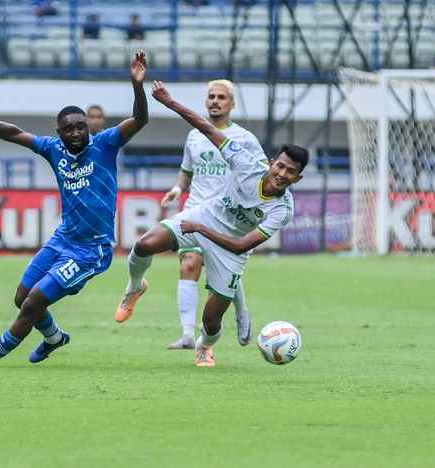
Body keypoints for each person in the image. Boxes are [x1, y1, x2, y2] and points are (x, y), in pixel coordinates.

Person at [0, 52, 149, 368]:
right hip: (63, 239)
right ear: (59, 132)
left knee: (34, 302)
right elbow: (15, 133)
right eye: (68, 129)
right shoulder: (53, 149)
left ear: (88, 127)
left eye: (80, 127)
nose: (76, 133)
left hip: (91, 250)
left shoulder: (105, 144)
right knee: (22, 298)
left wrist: (137, 87)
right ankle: (54, 338)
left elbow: (140, 119)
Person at [116, 80, 308, 367]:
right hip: (203, 215)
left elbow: (242, 244)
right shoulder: (245, 163)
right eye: (280, 166)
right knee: (145, 245)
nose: (282, 173)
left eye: (291, 172)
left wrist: (203, 231)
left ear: (297, 179)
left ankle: (204, 346)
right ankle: (134, 286)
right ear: (271, 163)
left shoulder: (283, 209)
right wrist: (170, 102)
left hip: (231, 250)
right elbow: (206, 128)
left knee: (211, 319)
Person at [157, 80, 267, 350]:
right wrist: (176, 188)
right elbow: (187, 171)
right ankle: (186, 334)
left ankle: (241, 312)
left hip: (228, 216)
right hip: (196, 210)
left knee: (222, 272)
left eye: (221, 97)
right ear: (206, 102)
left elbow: (264, 171)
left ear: (232, 104)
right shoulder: (194, 135)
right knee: (189, 264)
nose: (215, 101)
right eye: (211, 97)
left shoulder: (245, 139)